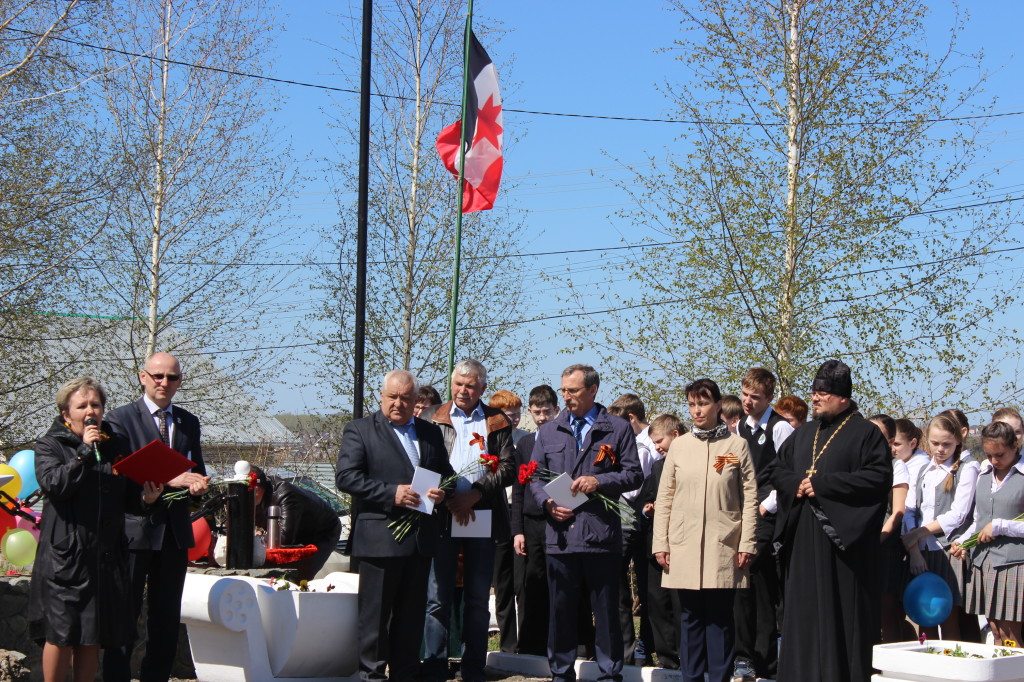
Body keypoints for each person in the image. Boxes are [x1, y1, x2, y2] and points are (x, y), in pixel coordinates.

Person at [28, 377, 163, 682]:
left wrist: (145, 499)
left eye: (96, 405)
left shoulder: (114, 446)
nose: (91, 411)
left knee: (92, 634)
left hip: (103, 557)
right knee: (62, 634)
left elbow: (126, 496)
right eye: (82, 406)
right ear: (66, 414)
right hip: (66, 559)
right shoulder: (50, 445)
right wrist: (84, 453)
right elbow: (55, 485)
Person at [770, 359, 892, 682]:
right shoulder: (803, 433)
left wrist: (823, 485)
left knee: (842, 621)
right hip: (803, 543)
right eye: (813, 392)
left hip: (843, 550)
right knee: (803, 620)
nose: (815, 398)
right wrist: (796, 484)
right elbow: (777, 470)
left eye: (823, 392)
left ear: (843, 397)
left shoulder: (866, 435)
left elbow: (877, 480)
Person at [335, 370, 452, 681]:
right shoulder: (360, 430)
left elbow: (447, 475)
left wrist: (443, 493)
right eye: (393, 397)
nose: (398, 403)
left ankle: (406, 673)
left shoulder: (429, 433)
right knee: (375, 619)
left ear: (416, 401)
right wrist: (392, 493)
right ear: (382, 396)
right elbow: (346, 477)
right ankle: (371, 676)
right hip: (379, 539)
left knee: (411, 619)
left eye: (406, 398)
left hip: (420, 540)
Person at [530, 364, 643, 682]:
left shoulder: (617, 429)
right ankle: (561, 672)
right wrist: (548, 503)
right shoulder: (549, 430)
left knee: (606, 611)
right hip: (561, 537)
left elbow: (634, 473)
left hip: (600, 536)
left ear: (593, 391)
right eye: (563, 390)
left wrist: (599, 481)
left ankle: (609, 673)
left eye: (573, 391)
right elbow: (535, 477)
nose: (566, 397)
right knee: (561, 611)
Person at [102, 352, 209, 682]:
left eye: (172, 377)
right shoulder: (119, 420)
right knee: (124, 619)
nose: (165, 383)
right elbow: (118, 472)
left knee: (165, 622)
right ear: (142, 377)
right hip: (134, 532)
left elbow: (196, 470)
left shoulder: (188, 422)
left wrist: (199, 486)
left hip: (174, 535)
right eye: (158, 376)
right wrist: (171, 479)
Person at [653, 379, 757, 682]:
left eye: (703, 403)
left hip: (723, 543)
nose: (697, 410)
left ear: (717, 405)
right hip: (683, 543)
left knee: (720, 619)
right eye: (691, 404)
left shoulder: (736, 446)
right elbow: (666, 496)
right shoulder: (680, 447)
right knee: (689, 618)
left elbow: (749, 496)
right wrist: (661, 542)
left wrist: (747, 542)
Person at [419, 359, 516, 682]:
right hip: (442, 514)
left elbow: (507, 467)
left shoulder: (497, 421)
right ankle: (434, 663)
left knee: (477, 597)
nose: (463, 390)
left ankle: (473, 666)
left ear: (482, 388)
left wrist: (475, 494)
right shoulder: (432, 417)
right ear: (451, 385)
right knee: (437, 596)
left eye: (470, 385)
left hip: (481, 513)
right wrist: (449, 499)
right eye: (458, 384)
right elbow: (424, 463)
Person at [734, 368, 794, 682]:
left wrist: (765, 505)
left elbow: (791, 475)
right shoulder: (740, 427)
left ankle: (765, 661)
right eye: (744, 394)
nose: (747, 401)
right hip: (741, 512)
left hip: (766, 513)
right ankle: (744, 658)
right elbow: (727, 463)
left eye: (754, 397)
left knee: (756, 580)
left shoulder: (780, 429)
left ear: (769, 398)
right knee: (743, 586)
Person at [903, 412, 980, 640]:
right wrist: (914, 550)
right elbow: (910, 511)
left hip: (947, 551)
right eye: (935, 443)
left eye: (946, 444)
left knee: (948, 618)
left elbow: (957, 514)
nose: (940, 449)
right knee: (924, 618)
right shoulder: (923, 469)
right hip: (921, 552)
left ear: (958, 439)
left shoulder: (967, 468)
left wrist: (918, 533)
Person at [952, 421, 1024, 646]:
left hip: (1012, 563)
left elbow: (998, 524)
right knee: (995, 630)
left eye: (1000, 454)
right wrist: (963, 542)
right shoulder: (984, 474)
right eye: (989, 454)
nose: (994, 460)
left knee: (1011, 633)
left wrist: (1001, 526)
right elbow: (978, 521)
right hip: (983, 562)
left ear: (1015, 445)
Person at [607, 392, 660, 665]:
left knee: (633, 589)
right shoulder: (644, 442)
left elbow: (633, 489)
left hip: (633, 522)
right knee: (629, 588)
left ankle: (635, 648)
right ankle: (635, 647)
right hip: (637, 523)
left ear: (630, 419)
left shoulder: (642, 446)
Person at [510, 384, 562, 657]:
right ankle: (531, 644)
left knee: (560, 583)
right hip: (531, 524)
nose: (542, 417)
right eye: (537, 412)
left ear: (557, 410)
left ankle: (563, 642)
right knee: (531, 583)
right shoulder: (526, 444)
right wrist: (517, 530)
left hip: (560, 521)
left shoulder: (566, 440)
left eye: (546, 411)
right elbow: (518, 490)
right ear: (530, 413)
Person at [637, 413, 683, 670]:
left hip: (682, 544)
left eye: (659, 442)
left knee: (680, 605)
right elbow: (646, 500)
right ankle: (667, 658)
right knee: (658, 602)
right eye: (653, 444)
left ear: (675, 434)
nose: (657, 448)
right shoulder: (657, 466)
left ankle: (688, 655)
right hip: (657, 544)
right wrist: (649, 508)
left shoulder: (695, 460)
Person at [250, 465, 342, 579]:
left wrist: (257, 539)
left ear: (257, 490)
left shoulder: (285, 494)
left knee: (300, 575)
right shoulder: (255, 498)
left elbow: (284, 537)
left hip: (322, 532)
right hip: (296, 530)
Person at [488, 388, 526, 654]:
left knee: (523, 581)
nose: (513, 418)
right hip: (498, 512)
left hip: (521, 512)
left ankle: (527, 640)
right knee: (502, 584)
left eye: (516, 413)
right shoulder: (488, 439)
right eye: (507, 414)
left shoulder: (526, 440)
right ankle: (508, 643)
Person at [868, 414, 912, 643]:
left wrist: (878, 540)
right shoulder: (859, 464)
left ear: (890, 440)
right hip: (861, 546)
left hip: (886, 547)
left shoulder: (897, 467)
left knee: (887, 613)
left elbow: (897, 512)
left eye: (879, 435)